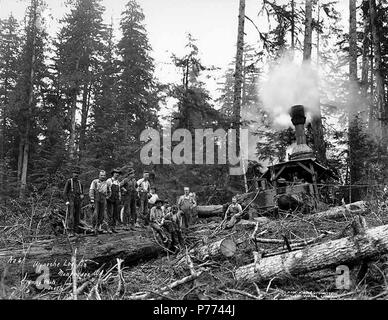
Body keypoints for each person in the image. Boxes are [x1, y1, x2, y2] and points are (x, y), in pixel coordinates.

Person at [63, 167, 84, 235]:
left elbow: (82, 192)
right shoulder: (69, 181)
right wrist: (66, 201)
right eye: (75, 173)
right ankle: (70, 231)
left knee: (77, 216)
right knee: (71, 215)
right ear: (72, 174)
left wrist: (82, 195)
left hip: (78, 200)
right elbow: (65, 192)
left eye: (77, 173)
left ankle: (76, 231)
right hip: (71, 200)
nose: (76, 174)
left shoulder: (80, 183)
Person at [106, 168, 122, 233]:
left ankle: (113, 227)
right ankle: (109, 227)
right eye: (116, 173)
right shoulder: (109, 181)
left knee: (115, 213)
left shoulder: (118, 182)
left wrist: (120, 197)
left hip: (116, 199)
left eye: (118, 174)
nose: (117, 175)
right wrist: (107, 197)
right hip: (110, 199)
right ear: (113, 174)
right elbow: (105, 189)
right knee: (110, 213)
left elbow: (119, 191)